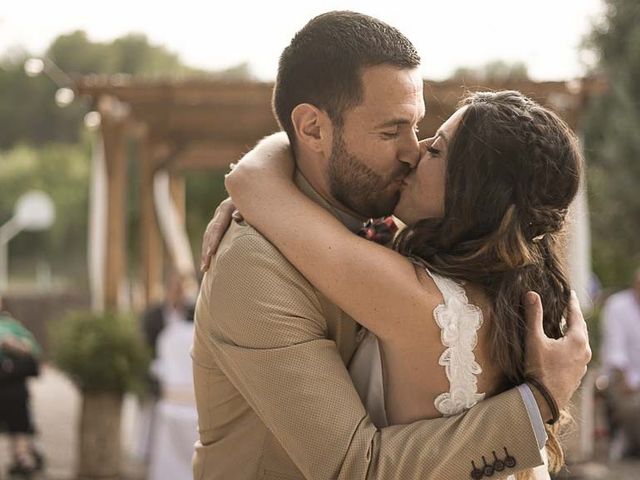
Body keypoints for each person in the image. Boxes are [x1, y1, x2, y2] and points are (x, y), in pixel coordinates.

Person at [194, 11, 591, 480]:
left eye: (418, 127)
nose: (414, 149)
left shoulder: (424, 273)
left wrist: (256, 178)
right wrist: (254, 180)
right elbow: (354, 466)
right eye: (390, 131)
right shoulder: (255, 264)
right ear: (313, 129)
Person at [0, 298, 45, 478]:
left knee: (18, 423)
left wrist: (12, 344)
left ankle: (23, 457)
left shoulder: (12, 326)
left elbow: (33, 349)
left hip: (12, 384)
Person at [601, 267, 640, 457]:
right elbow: (615, 352)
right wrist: (627, 380)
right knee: (634, 406)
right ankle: (630, 442)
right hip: (623, 378)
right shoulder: (617, 305)